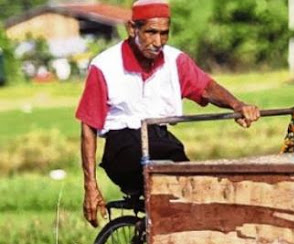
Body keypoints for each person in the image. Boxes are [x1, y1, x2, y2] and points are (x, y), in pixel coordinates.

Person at [76, 0, 260, 227]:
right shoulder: (105, 66)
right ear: (132, 28)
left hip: (160, 139)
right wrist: (90, 187)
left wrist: (237, 104)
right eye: (151, 33)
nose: (158, 42)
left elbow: (206, 87)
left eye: (164, 34)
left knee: (192, 183)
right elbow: (88, 126)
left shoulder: (175, 60)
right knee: (162, 175)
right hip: (122, 146)